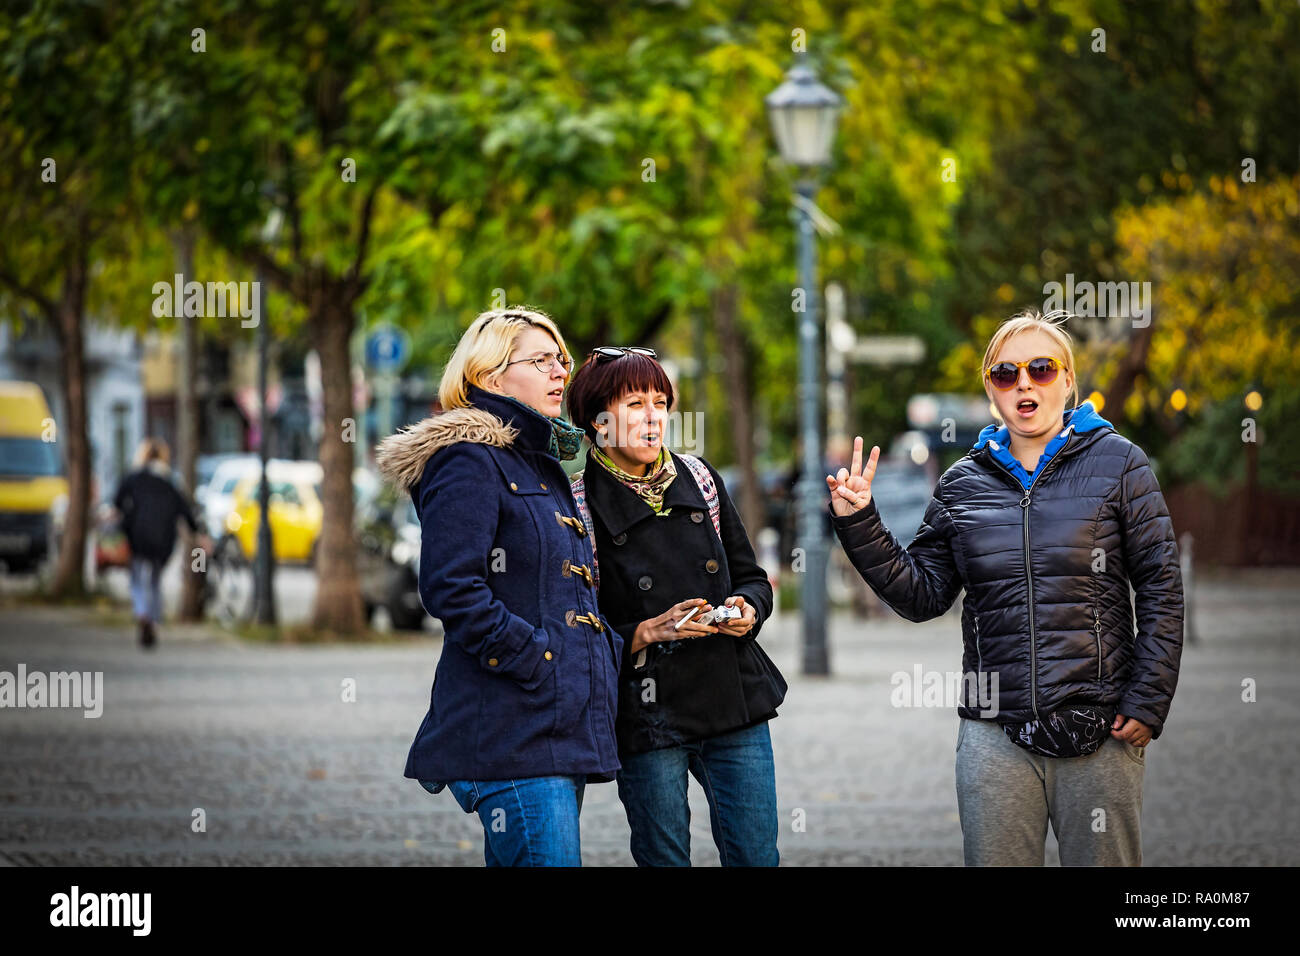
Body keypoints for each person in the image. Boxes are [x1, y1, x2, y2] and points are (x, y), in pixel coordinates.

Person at [827, 310, 1183, 866]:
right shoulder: (961, 483)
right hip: (994, 736)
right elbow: (922, 595)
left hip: (1101, 728)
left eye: (1041, 369)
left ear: (1068, 380)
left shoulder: (1121, 465)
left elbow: (1161, 588)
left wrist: (1149, 699)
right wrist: (860, 522)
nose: (1024, 383)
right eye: (1005, 373)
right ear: (991, 390)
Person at [374, 307, 621, 867]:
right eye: (541, 361)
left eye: (562, 359)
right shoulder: (468, 461)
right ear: (489, 377)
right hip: (514, 732)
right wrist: (539, 657)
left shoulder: (537, 460)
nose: (561, 371)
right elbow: (451, 588)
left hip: (552, 729)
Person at [566, 347, 787, 867]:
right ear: (598, 423)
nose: (653, 417)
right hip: (648, 712)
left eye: (660, 403)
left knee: (757, 856)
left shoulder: (700, 478)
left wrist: (747, 610)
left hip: (733, 699)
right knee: (664, 859)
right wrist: (645, 631)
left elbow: (754, 578)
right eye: (635, 404)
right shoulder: (577, 503)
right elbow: (578, 623)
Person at [111, 438, 208, 649]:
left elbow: (117, 501)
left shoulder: (134, 478)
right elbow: (185, 510)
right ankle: (153, 620)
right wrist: (198, 534)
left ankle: (142, 613)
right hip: (163, 539)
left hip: (137, 536)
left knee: (137, 577)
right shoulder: (169, 481)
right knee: (154, 580)